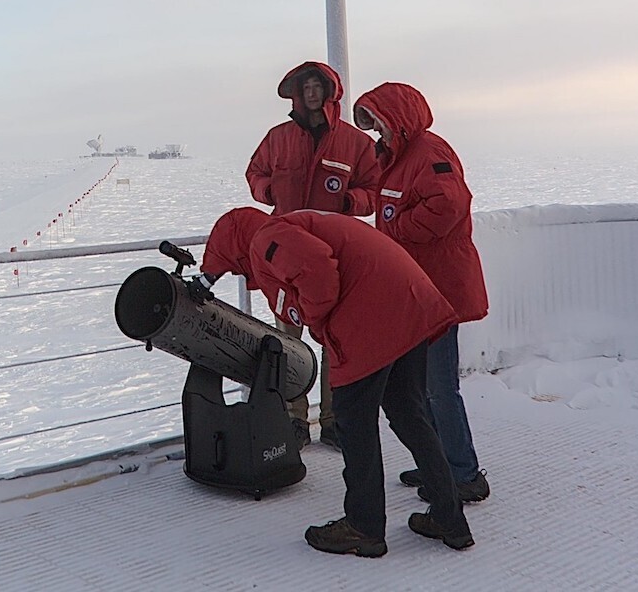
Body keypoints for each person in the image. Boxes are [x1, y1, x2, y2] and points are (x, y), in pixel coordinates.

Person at [197, 207, 474, 557]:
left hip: (371, 315)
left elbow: (318, 273)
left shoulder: (265, 239)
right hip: (409, 303)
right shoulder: (294, 223)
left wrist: (310, 315)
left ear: (237, 248)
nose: (242, 271)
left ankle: (364, 527)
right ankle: (450, 519)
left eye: (235, 266)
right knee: (410, 415)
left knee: (354, 424)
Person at [353, 82, 491, 503]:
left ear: (399, 120)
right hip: (418, 289)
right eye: (373, 126)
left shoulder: (428, 154)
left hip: (440, 292)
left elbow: (450, 205)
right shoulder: (399, 158)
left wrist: (396, 229)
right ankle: (438, 462)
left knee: (438, 387)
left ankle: (464, 474)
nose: (378, 134)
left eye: (380, 124)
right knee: (417, 385)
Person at [245, 61, 380, 451]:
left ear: (329, 91)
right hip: (286, 259)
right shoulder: (278, 138)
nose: (310, 92)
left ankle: (335, 420)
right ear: (295, 92)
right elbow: (255, 173)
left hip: (334, 258)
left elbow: (374, 187)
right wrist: (268, 192)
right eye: (304, 87)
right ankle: (294, 420)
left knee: (334, 341)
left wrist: (351, 201)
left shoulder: (355, 143)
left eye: (316, 85)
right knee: (288, 341)